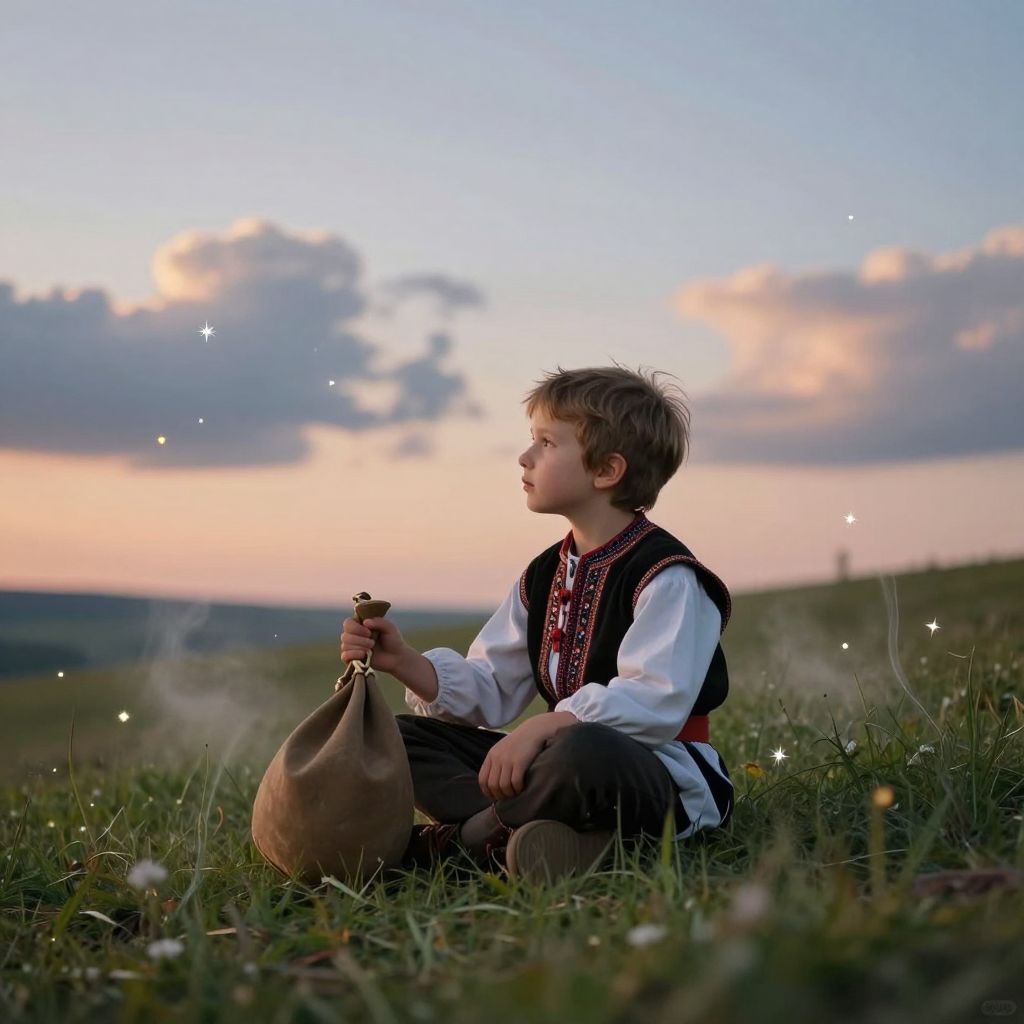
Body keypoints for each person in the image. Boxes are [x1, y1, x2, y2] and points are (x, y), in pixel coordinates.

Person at [340, 363, 734, 884]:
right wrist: (405, 663)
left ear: (606, 471)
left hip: (651, 773)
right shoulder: (545, 575)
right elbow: (493, 691)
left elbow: (656, 703)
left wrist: (547, 726)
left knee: (581, 749)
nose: (525, 457)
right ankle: (549, 840)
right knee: (394, 736)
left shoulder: (668, 577)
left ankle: (465, 842)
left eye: (546, 443)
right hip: (551, 762)